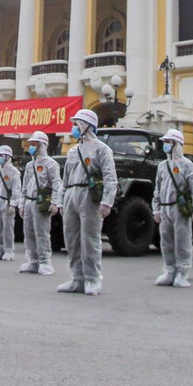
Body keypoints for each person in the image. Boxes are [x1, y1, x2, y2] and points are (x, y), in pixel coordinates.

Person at [59, 108, 117, 296]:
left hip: (89, 195)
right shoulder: (73, 151)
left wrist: (107, 201)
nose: (74, 127)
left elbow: (110, 177)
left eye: (77, 124)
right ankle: (77, 278)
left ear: (87, 125)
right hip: (72, 193)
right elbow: (65, 178)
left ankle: (93, 278)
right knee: (72, 238)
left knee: (90, 238)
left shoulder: (102, 149)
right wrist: (61, 200)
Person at [152, 128, 193, 288]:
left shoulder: (187, 165)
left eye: (168, 142)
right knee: (166, 241)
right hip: (165, 209)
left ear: (176, 144)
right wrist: (156, 208)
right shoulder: (162, 166)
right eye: (165, 142)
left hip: (180, 209)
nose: (166, 145)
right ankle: (169, 270)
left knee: (182, 241)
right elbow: (158, 189)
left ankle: (182, 272)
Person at [19, 131, 62, 276]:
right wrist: (22, 203)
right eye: (31, 144)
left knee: (42, 233)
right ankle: (33, 260)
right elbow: (24, 186)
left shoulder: (51, 164)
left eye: (34, 144)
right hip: (29, 202)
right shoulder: (30, 165)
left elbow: (57, 184)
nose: (31, 147)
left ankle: (45, 261)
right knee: (29, 232)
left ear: (42, 145)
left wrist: (56, 202)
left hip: (41, 202)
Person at [0, 145, 20, 261]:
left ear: (7, 156)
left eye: (1, 155)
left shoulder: (14, 172)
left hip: (7, 202)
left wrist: (13, 204)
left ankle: (9, 250)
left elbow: (16, 189)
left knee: (8, 228)